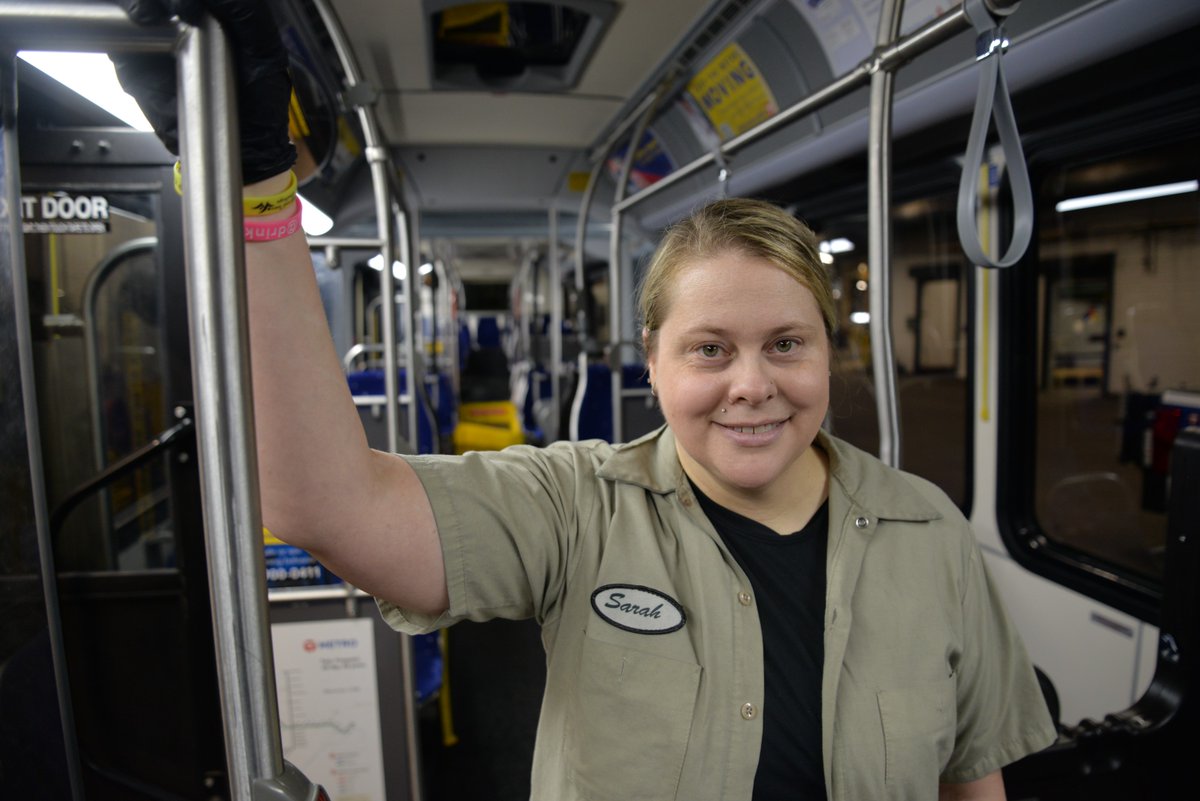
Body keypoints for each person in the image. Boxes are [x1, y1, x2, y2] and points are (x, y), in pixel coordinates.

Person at [114, 2, 1058, 799]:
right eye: (709, 349)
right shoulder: (576, 507)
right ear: (653, 361)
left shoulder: (929, 532)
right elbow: (323, 503)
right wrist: (251, 191)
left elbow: (972, 778)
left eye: (785, 344)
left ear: (825, 351)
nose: (752, 385)